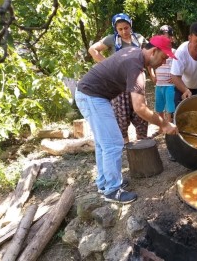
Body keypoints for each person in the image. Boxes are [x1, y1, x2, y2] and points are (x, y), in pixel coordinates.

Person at [76, 35, 178, 204]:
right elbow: (139, 108)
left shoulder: (134, 53)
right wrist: (164, 124)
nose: (164, 62)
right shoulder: (135, 66)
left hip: (90, 94)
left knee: (104, 143)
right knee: (113, 142)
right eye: (163, 57)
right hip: (91, 96)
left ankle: (104, 183)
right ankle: (112, 190)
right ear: (154, 51)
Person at [88, 13, 152, 143]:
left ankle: (143, 144)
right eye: (120, 29)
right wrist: (107, 64)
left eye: (126, 28)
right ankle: (126, 147)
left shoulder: (139, 38)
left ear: (130, 25)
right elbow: (92, 50)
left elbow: (148, 55)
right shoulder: (112, 39)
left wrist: (152, 74)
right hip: (119, 85)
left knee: (140, 114)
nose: (124, 31)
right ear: (116, 29)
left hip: (137, 82)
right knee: (121, 116)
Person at [154, 25, 176, 123]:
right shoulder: (156, 52)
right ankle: (161, 126)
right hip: (159, 85)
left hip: (170, 85)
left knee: (169, 107)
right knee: (159, 107)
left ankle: (169, 124)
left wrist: (175, 77)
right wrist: (152, 75)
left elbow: (180, 67)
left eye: (166, 38)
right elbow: (150, 66)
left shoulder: (175, 52)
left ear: (172, 38)